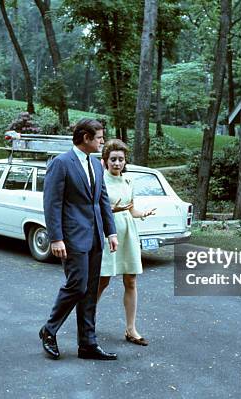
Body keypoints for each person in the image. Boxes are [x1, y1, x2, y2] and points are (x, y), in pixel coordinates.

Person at [39, 118, 119, 361]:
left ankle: (88, 344)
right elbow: (52, 203)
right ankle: (49, 330)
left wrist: (110, 231)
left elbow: (102, 200)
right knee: (78, 285)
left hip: (95, 237)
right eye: (99, 137)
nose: (102, 141)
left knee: (90, 291)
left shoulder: (96, 165)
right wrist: (56, 238)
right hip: (72, 238)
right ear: (85, 138)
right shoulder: (61, 164)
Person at [97, 139, 156, 346]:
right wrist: (113, 210)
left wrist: (143, 213)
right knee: (102, 281)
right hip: (108, 234)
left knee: (131, 281)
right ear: (105, 160)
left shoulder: (128, 182)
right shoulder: (99, 180)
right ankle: (86, 323)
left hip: (128, 233)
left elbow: (131, 209)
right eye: (113, 159)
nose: (117, 163)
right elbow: (96, 209)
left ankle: (131, 329)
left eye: (120, 159)